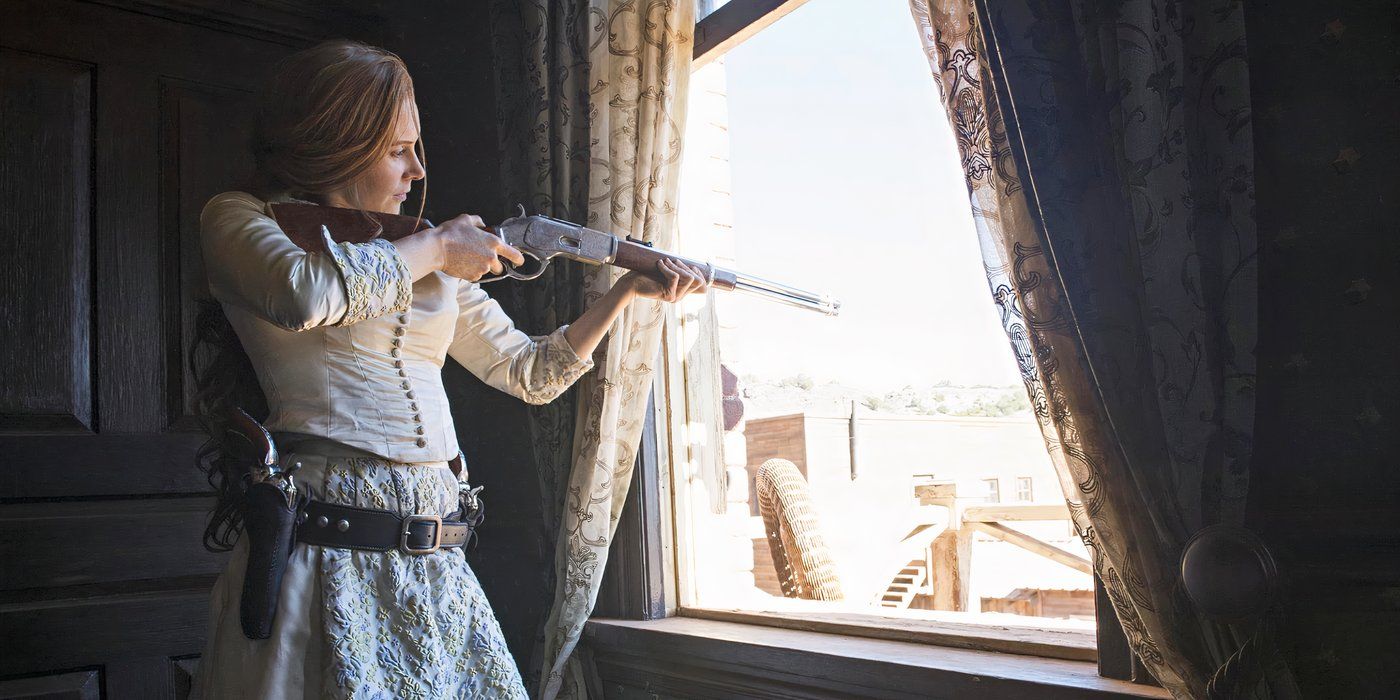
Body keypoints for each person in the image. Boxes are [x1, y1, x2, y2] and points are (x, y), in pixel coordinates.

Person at [188, 40, 707, 699]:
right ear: (338, 142)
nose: (415, 170)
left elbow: (531, 372)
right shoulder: (238, 217)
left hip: (436, 562)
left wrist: (625, 290)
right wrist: (436, 245)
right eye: (398, 148)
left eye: (418, 148)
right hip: (325, 556)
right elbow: (306, 297)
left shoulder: (429, 254)